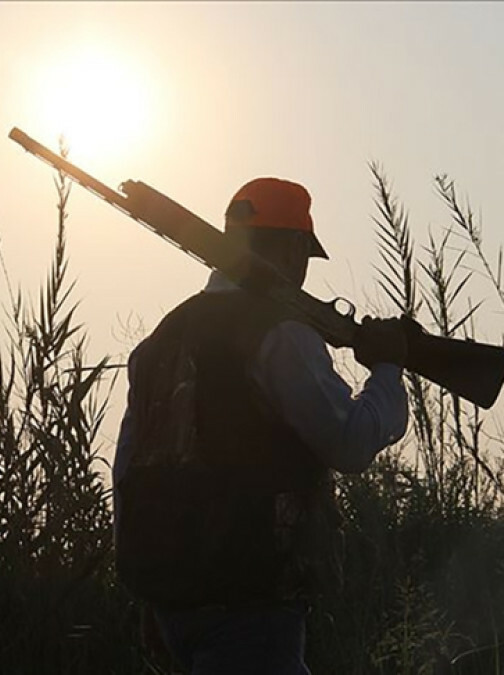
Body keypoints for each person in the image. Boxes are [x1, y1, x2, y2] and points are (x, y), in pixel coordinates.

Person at [112, 177, 411, 674]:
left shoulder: (160, 341)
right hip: (251, 603)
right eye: (303, 256)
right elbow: (352, 443)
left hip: (175, 605)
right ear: (294, 249)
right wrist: (387, 368)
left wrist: (150, 594)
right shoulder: (279, 333)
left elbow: (130, 475)